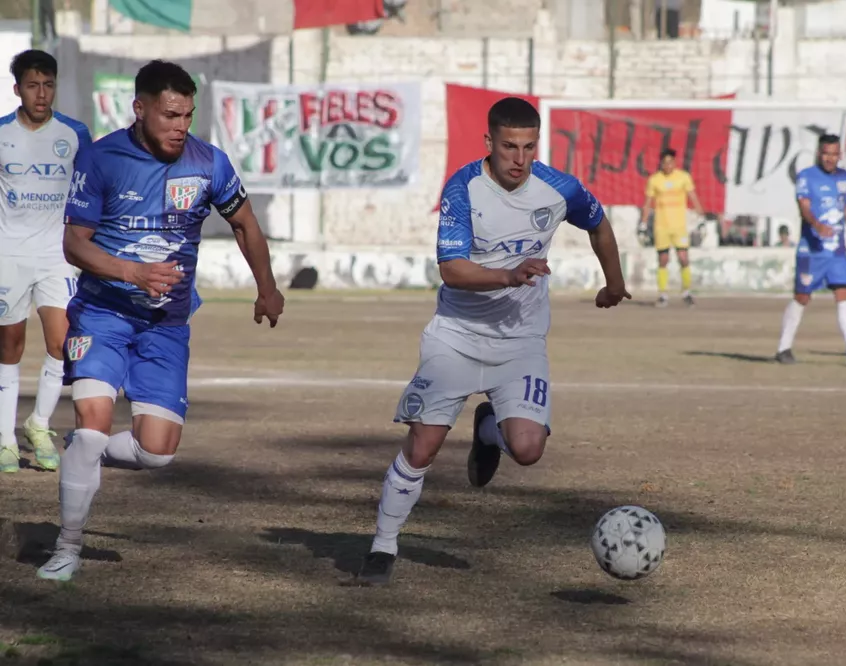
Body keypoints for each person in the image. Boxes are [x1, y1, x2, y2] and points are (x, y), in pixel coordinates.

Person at [353, 97, 631, 586]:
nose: (519, 158)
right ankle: (383, 545)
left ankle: (488, 431)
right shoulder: (463, 189)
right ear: (489, 142)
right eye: (508, 147)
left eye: (528, 147)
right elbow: (452, 271)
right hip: (456, 339)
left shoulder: (557, 188)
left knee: (527, 449)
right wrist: (508, 274)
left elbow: (599, 223)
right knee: (422, 448)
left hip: (520, 342)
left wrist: (613, 282)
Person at [36, 60, 285, 582]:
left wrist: (267, 287)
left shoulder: (208, 163)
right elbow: (74, 244)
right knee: (92, 429)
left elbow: (244, 223)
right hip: (102, 315)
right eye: (170, 114)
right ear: (141, 108)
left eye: (188, 115)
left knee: (157, 455)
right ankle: (67, 547)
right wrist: (133, 272)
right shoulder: (101, 159)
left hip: (166, 326)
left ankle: (87, 456)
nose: (180, 126)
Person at [0, 49, 91, 474]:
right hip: (8, 255)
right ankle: (5, 441)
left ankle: (39, 424)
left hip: (57, 255)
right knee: (9, 347)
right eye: (33, 85)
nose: (42, 93)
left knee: (63, 344)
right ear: (17, 89)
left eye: (49, 84)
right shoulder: (0, 134)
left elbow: (91, 189)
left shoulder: (75, 134)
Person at [775, 133, 846, 366]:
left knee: (844, 292)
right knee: (802, 296)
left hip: (836, 252)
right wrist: (817, 224)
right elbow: (804, 207)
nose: (830, 158)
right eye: (826, 153)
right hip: (811, 251)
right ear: (819, 154)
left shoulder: (844, 178)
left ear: (840, 155)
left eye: (834, 154)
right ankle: (783, 348)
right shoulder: (806, 177)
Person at [639, 149, 704, 307]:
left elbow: (693, 196)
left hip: (679, 226)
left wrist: (701, 217)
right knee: (663, 259)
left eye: (671, 162)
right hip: (661, 226)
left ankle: (686, 292)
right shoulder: (655, 180)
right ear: (661, 163)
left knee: (683, 258)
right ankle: (662, 294)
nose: (668, 165)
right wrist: (643, 223)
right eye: (665, 162)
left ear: (675, 162)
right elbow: (648, 203)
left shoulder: (683, 177)